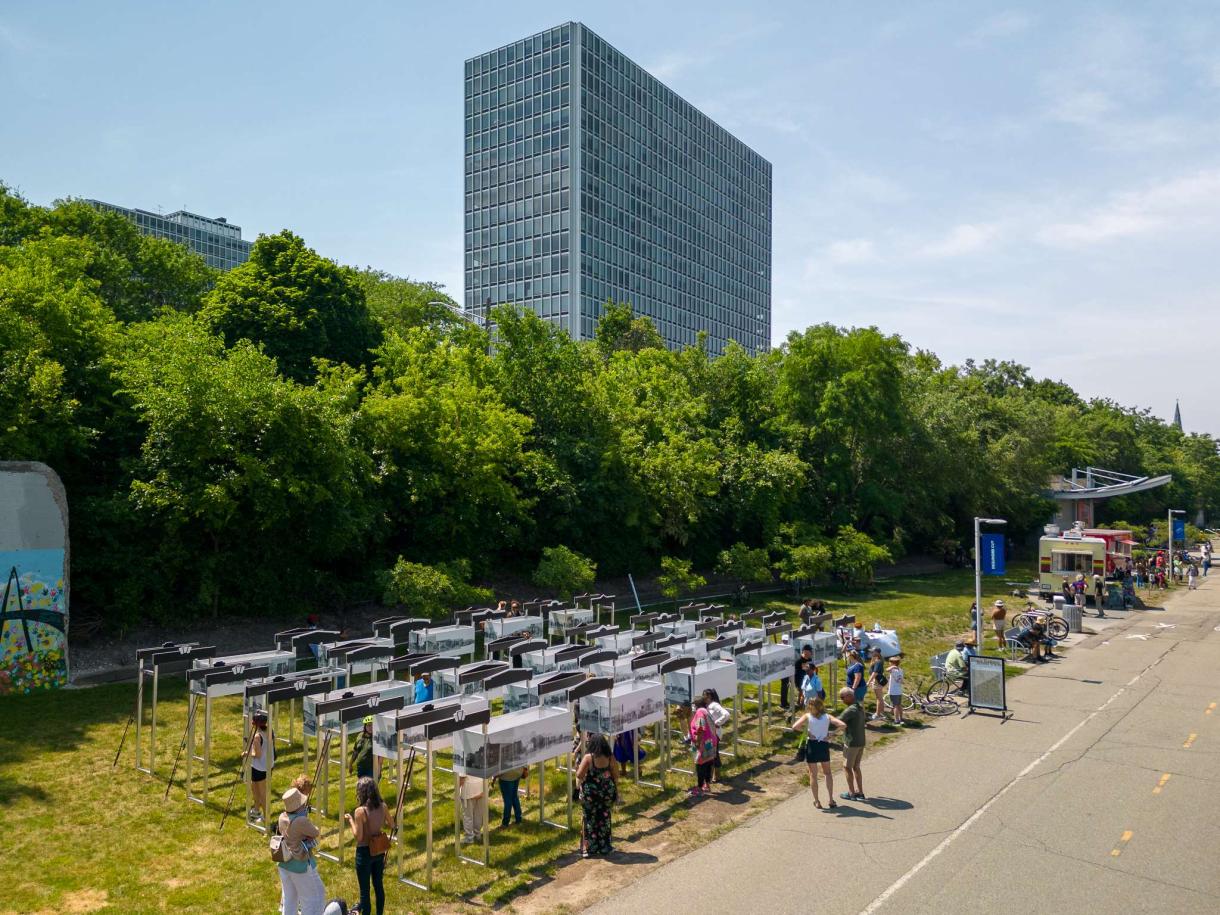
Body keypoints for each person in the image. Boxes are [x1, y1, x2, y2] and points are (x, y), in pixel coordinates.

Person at [277, 787, 326, 915]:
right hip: (299, 865)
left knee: (289, 900)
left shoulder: (282, 817)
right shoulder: (301, 820)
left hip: (284, 863)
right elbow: (315, 832)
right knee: (310, 899)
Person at [343, 776, 387, 915]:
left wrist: (350, 820)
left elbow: (359, 836)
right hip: (379, 851)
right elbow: (392, 825)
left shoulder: (360, 811)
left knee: (365, 892)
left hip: (364, 852)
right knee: (378, 886)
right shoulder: (383, 806)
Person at [791, 697, 844, 809]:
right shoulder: (827, 717)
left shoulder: (808, 716)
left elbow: (795, 727)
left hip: (812, 745)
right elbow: (843, 725)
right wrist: (832, 734)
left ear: (810, 706)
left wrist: (807, 731)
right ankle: (830, 799)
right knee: (828, 773)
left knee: (813, 775)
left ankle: (817, 801)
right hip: (823, 745)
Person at [576, 734, 619, 858]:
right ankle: (605, 846)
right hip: (606, 793)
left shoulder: (588, 758)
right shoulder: (610, 757)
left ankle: (590, 847)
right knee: (604, 817)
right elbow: (616, 774)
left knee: (589, 818)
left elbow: (579, 775)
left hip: (591, 794)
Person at [838, 687, 867, 802]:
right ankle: (860, 792)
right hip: (861, 741)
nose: (842, 700)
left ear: (849, 696)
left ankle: (851, 793)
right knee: (856, 767)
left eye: (842, 697)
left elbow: (837, 722)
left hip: (852, 743)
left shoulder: (850, 710)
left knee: (847, 767)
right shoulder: (859, 706)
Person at [688, 695, 719, 796]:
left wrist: (697, 742)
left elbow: (701, 728)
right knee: (707, 763)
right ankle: (707, 785)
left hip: (703, 743)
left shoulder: (700, 712)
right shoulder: (706, 711)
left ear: (696, 705)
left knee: (700, 765)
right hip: (711, 741)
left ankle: (700, 787)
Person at [247, 709, 273, 822]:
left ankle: (266, 817)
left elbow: (257, 754)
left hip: (258, 767)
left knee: (261, 793)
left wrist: (246, 753)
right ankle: (256, 810)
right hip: (268, 765)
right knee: (255, 788)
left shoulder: (257, 737)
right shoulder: (270, 731)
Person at [703, 688, 730, 783]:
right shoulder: (707, 705)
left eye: (704, 695)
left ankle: (716, 775)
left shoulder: (714, 705)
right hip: (709, 733)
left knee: (714, 754)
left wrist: (716, 723)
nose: (703, 697)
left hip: (715, 733)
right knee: (710, 754)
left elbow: (726, 714)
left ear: (709, 696)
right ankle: (712, 775)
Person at [458, 774, 486, 843]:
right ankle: (477, 834)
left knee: (468, 816)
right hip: (481, 787)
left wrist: (456, 790)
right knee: (478, 814)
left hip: (469, 791)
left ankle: (469, 837)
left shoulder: (463, 762)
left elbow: (462, 778)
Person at [788, 644, 813, 712]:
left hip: (805, 677)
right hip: (798, 678)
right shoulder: (798, 660)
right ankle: (801, 703)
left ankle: (800, 702)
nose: (811, 652)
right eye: (810, 651)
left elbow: (807, 669)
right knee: (802, 691)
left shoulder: (809, 659)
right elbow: (794, 671)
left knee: (803, 691)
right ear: (805, 652)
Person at [350, 717, 375, 782]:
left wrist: (379, 769)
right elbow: (355, 751)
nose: (370, 727)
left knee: (369, 787)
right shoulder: (360, 736)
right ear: (365, 726)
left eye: (372, 725)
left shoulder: (376, 738)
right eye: (368, 725)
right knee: (362, 787)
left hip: (371, 768)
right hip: (360, 767)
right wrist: (351, 764)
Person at [867, 647, 888, 721]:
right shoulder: (877, 660)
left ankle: (877, 714)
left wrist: (869, 682)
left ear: (877, 653)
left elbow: (875, 673)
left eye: (873, 652)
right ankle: (881, 712)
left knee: (879, 698)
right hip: (877, 681)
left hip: (877, 682)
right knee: (880, 698)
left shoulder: (878, 662)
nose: (871, 653)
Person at [886, 656, 905, 725]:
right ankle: (901, 718)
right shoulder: (900, 670)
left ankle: (896, 720)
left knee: (895, 706)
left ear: (892, 663)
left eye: (890, 662)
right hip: (899, 690)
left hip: (893, 691)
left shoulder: (893, 670)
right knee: (899, 705)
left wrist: (893, 667)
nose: (888, 663)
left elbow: (887, 670)